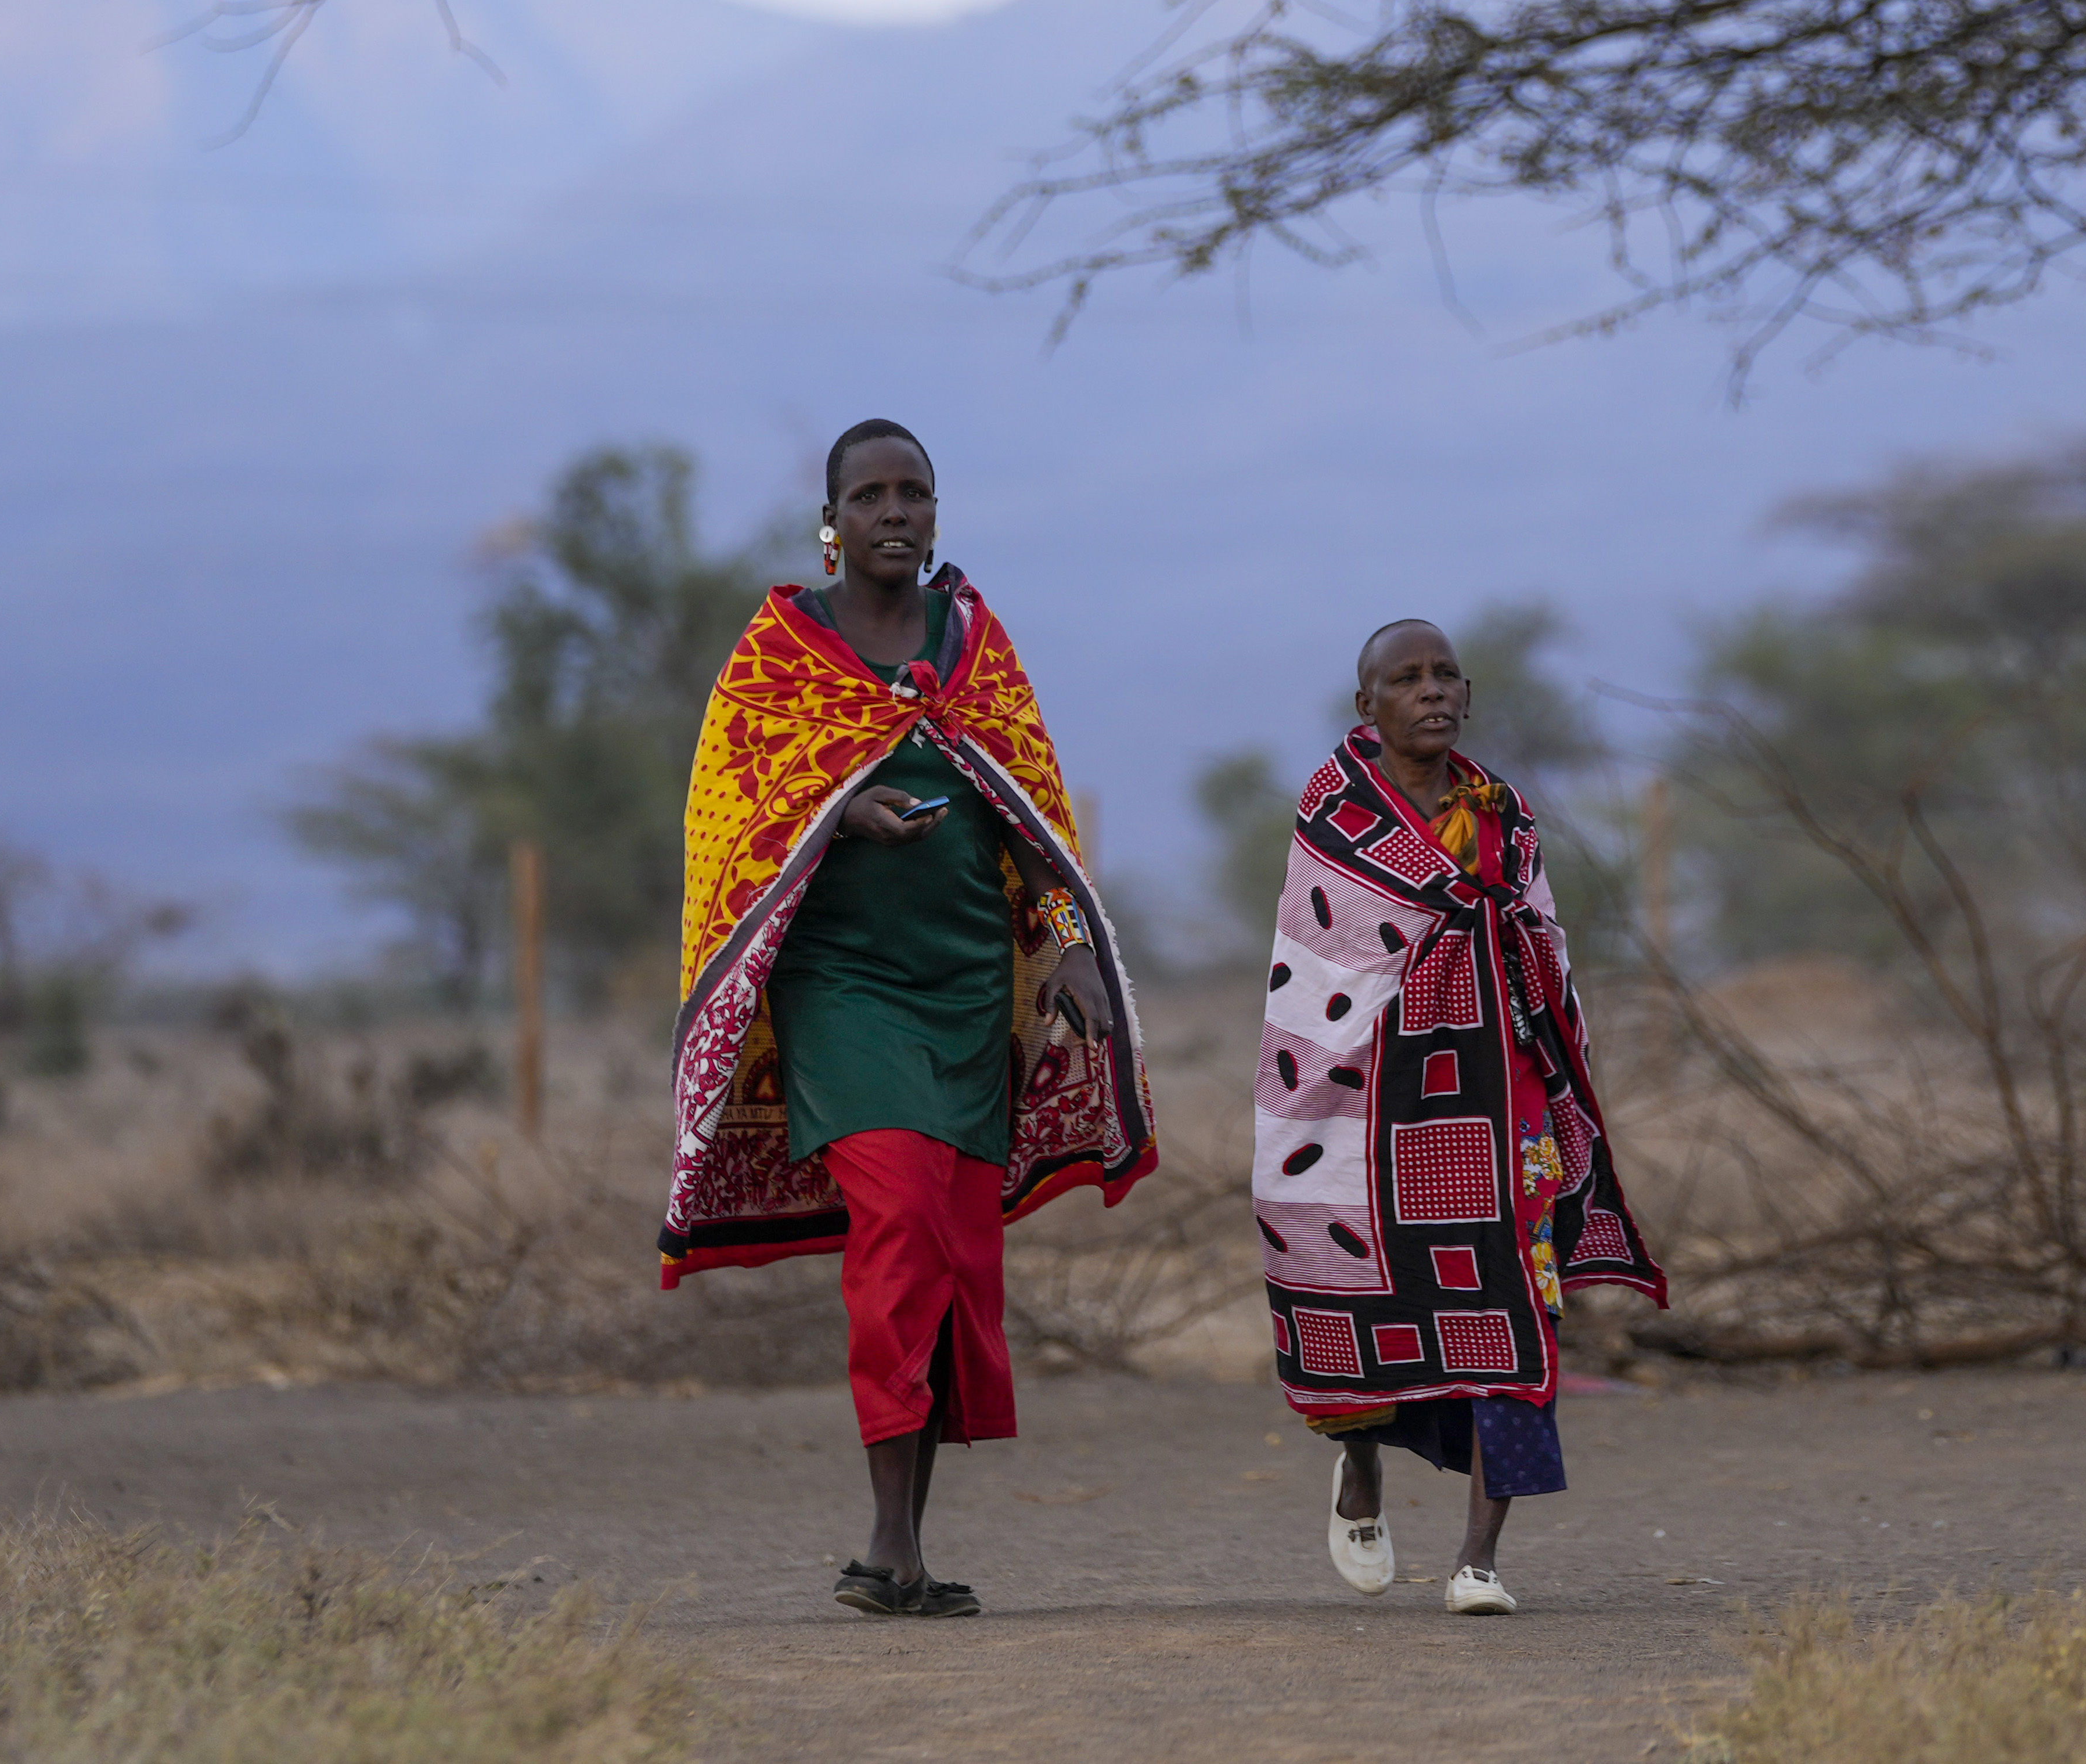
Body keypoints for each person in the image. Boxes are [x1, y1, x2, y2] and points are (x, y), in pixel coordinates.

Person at [660, 418, 1155, 1617]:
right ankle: (884, 1533)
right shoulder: (781, 651)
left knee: (946, 1241)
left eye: (916, 492)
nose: (897, 511)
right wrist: (842, 813)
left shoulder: (976, 644)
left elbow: (1032, 814)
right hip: (841, 984)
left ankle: (908, 1553)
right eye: (872, 493)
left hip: (972, 984)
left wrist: (1073, 947)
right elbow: (735, 819)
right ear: (831, 518)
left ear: (938, 510)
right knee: (894, 1211)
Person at [1252, 617, 1664, 1615]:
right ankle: (1358, 1467)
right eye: (1407, 678)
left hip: (1504, 1099)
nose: (1430, 691)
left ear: (1467, 696)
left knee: (1521, 1316)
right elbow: (1321, 966)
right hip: (1367, 1109)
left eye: (1446, 677)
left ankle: (1480, 1559)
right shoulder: (1335, 815)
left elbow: (1547, 944)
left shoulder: (1508, 818)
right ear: (1370, 705)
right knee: (1360, 1300)